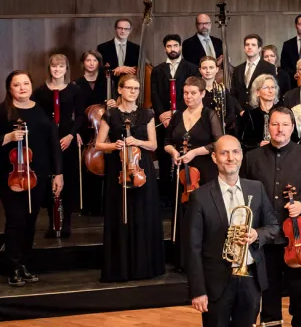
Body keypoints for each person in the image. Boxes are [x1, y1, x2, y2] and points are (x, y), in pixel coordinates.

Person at [185, 135, 280, 327]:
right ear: (214, 158)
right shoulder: (201, 195)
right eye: (224, 153)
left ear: (242, 155)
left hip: (249, 278)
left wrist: (257, 235)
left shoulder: (256, 188)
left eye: (236, 152)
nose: (231, 158)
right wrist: (198, 290)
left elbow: (273, 226)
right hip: (216, 283)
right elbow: (192, 248)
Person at [242, 107, 301, 327]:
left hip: (297, 240)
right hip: (265, 240)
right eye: (275, 124)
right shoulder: (252, 158)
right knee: (268, 294)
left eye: (285, 125)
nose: (280, 129)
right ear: (268, 127)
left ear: (293, 127)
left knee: (300, 295)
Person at [0, 71, 62, 284]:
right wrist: (7, 137)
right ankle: (12, 266)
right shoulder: (1, 111)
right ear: (9, 88)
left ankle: (24, 263)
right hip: (9, 176)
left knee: (31, 220)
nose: (22, 87)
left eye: (26, 83)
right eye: (17, 85)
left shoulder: (42, 111)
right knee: (16, 219)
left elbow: (53, 144)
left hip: (38, 175)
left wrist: (58, 173)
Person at [95, 74, 164, 283]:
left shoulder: (147, 113)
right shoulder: (111, 115)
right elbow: (99, 144)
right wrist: (114, 145)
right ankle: (120, 267)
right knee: (120, 215)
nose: (133, 92)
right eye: (129, 88)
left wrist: (137, 141)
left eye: (136, 89)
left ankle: (146, 267)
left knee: (144, 214)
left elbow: (153, 145)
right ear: (120, 90)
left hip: (142, 171)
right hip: (119, 170)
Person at [164, 78, 224, 247]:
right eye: (185, 93)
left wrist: (195, 152)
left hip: (204, 170)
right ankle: (183, 256)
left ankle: (204, 251)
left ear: (202, 93)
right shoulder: (177, 116)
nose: (188, 97)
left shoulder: (209, 114)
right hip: (182, 170)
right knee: (183, 210)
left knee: (203, 209)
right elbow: (166, 142)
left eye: (193, 93)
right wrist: (174, 152)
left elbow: (218, 143)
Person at [31, 53, 79, 237]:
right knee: (48, 179)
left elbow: (80, 115)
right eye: (54, 66)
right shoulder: (40, 91)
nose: (57, 69)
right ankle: (53, 223)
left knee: (68, 179)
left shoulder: (74, 90)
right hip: (47, 140)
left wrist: (71, 135)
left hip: (66, 139)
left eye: (61, 66)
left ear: (66, 69)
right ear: (49, 68)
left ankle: (66, 222)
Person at [149, 33, 194, 204]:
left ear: (180, 47)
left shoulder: (191, 68)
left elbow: (191, 93)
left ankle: (182, 192)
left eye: (175, 46)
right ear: (165, 48)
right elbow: (154, 93)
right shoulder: (158, 69)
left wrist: (177, 114)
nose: (172, 49)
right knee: (163, 155)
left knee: (182, 154)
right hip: (163, 119)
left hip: (183, 117)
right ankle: (166, 196)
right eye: (169, 46)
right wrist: (161, 113)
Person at [69, 50, 106, 215]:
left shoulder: (106, 82)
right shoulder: (76, 84)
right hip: (84, 130)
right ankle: (86, 205)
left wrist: (112, 102)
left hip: (103, 130)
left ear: (99, 63)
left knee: (105, 166)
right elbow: (73, 111)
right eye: (88, 60)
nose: (91, 63)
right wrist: (74, 132)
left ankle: (104, 203)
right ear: (83, 63)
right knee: (83, 167)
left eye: (94, 60)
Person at [238, 74, 280, 150]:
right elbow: (241, 142)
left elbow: (294, 138)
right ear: (257, 92)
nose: (270, 91)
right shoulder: (249, 115)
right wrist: (258, 145)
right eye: (266, 87)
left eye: (273, 87)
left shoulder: (283, 113)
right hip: (257, 155)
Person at [232, 35, 273, 112]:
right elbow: (233, 94)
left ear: (259, 49)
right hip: (241, 115)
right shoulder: (238, 69)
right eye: (247, 45)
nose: (249, 47)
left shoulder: (269, 68)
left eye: (253, 45)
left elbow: (271, 92)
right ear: (244, 48)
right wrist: (240, 110)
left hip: (260, 112)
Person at [96, 17, 139, 84]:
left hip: (129, 85)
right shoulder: (102, 48)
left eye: (126, 29)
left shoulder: (137, 48)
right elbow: (99, 70)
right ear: (115, 29)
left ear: (130, 30)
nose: (123, 31)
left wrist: (124, 68)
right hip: (109, 85)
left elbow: (138, 69)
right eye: (120, 28)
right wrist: (117, 69)